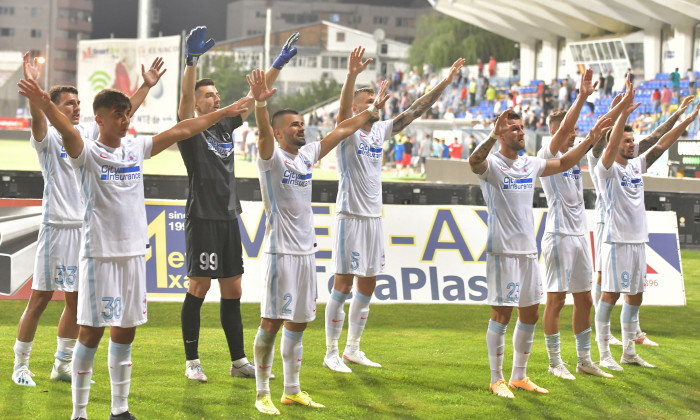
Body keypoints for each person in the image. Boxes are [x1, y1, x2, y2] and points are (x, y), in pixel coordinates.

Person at [18, 70, 251, 420]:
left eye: (128, 114)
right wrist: (41, 102)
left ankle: (119, 410)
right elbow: (64, 129)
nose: (127, 120)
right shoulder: (86, 152)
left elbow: (182, 129)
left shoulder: (135, 147)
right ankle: (79, 413)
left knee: (125, 334)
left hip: (132, 258)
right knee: (91, 333)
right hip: (99, 258)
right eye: (119, 115)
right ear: (101, 120)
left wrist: (224, 111)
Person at [12, 52, 164, 388]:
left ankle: (61, 364)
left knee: (76, 301)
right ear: (54, 107)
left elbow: (120, 115)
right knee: (38, 299)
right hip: (55, 228)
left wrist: (145, 87)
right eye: (68, 104)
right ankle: (20, 364)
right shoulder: (50, 138)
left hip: (84, 232)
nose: (76, 108)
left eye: (78, 102)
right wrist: (37, 93)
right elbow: (39, 120)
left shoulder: (87, 134)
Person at [248, 68, 389, 415]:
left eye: (302, 124)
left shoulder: (308, 155)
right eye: (294, 125)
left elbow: (341, 130)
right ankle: (262, 391)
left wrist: (370, 113)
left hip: (306, 254)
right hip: (281, 253)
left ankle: (291, 390)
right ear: (280, 133)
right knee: (271, 323)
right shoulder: (272, 157)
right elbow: (264, 133)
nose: (301, 128)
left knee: (298, 324)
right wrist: (260, 106)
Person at [323, 48, 466, 373]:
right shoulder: (347, 130)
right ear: (357, 107)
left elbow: (415, 110)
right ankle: (330, 351)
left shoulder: (380, 130)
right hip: (351, 215)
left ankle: (352, 349)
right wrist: (351, 76)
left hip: (373, 217)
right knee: (343, 284)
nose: (378, 101)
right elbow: (345, 110)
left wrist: (445, 82)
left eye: (377, 96)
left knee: (368, 283)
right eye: (369, 99)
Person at [177, 26, 299, 382]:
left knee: (234, 290)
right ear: (198, 103)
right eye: (209, 96)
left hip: (229, 216)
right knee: (198, 288)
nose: (216, 99)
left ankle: (238, 361)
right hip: (202, 217)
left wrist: (278, 63)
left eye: (216, 95)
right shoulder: (191, 128)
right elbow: (184, 102)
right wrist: (192, 62)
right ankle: (192, 361)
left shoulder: (223, 127)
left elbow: (252, 97)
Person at [469, 107, 609, 399]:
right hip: (502, 252)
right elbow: (474, 161)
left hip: (528, 252)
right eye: (515, 128)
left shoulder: (530, 163)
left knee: (530, 314)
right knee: (501, 315)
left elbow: (566, 161)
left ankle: (519, 376)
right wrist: (493, 134)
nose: (521, 132)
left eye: (521, 127)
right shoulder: (493, 164)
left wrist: (590, 140)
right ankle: (496, 379)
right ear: (503, 134)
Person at [594, 89, 699, 371]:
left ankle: (628, 352)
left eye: (632, 140)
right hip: (616, 241)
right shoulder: (605, 170)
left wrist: (686, 121)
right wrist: (623, 116)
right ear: (614, 144)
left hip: (638, 240)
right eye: (626, 141)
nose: (632, 144)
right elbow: (612, 143)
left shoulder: (636, 166)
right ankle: (604, 354)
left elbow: (661, 145)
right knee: (610, 296)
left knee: (636, 295)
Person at [538, 68, 614, 380]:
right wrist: (581, 96)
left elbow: (595, 138)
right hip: (558, 235)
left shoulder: (576, 152)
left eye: (573, 131)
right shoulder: (548, 152)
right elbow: (567, 129)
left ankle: (584, 359)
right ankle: (555, 362)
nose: (573, 133)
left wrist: (618, 108)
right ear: (554, 133)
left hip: (580, 235)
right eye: (567, 130)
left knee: (585, 299)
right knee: (556, 301)